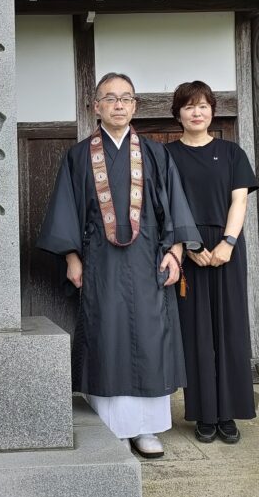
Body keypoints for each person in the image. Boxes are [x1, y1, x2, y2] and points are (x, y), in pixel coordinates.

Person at [37, 72, 201, 458]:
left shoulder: (155, 154)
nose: (118, 105)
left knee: (151, 334)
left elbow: (174, 203)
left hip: (149, 259)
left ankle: (147, 428)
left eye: (126, 98)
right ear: (96, 106)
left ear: (135, 106)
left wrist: (176, 251)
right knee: (107, 333)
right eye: (110, 98)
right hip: (100, 261)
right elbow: (66, 209)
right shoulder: (79, 156)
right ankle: (112, 426)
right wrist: (72, 258)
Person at [165, 81, 258, 444]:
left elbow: (240, 201)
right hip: (187, 251)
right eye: (189, 106)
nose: (197, 112)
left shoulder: (231, 152)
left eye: (203, 106)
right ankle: (204, 414)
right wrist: (189, 245)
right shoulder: (166, 155)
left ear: (212, 112)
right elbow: (165, 205)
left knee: (230, 329)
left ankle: (229, 414)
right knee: (197, 332)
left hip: (226, 249)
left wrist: (228, 243)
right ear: (178, 114)